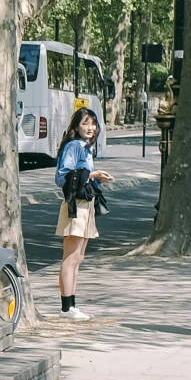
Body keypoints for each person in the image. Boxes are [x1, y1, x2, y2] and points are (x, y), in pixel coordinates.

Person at [53, 106, 112, 322]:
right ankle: (66, 307)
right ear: (76, 126)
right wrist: (92, 174)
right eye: (85, 123)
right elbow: (62, 177)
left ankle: (72, 305)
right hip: (75, 205)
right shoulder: (75, 146)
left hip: (86, 204)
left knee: (78, 257)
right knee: (70, 257)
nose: (90, 128)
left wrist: (96, 178)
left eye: (93, 123)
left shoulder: (86, 148)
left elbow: (81, 176)